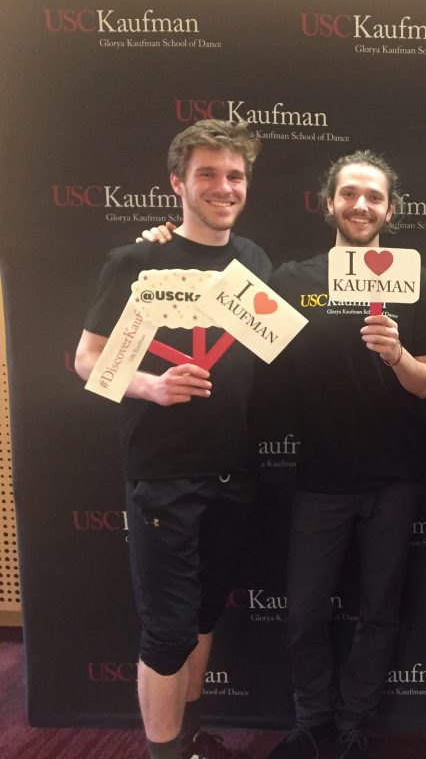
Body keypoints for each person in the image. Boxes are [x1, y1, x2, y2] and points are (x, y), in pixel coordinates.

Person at [74, 119, 269, 759]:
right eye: (207, 174)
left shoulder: (254, 261)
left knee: (204, 618)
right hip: (162, 474)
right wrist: (151, 387)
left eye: (233, 175)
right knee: (166, 630)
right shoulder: (136, 259)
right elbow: (87, 360)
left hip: (233, 471)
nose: (223, 186)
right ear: (177, 183)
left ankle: (186, 741)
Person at [263, 151, 426, 759]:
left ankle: (356, 722)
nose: (361, 205)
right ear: (328, 202)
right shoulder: (292, 278)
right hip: (319, 478)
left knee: (379, 612)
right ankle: (313, 721)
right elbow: (244, 334)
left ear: (390, 207)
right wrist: (162, 244)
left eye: (374, 196)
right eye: (349, 194)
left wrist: (394, 353)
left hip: (396, 476)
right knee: (305, 615)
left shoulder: (416, 282)